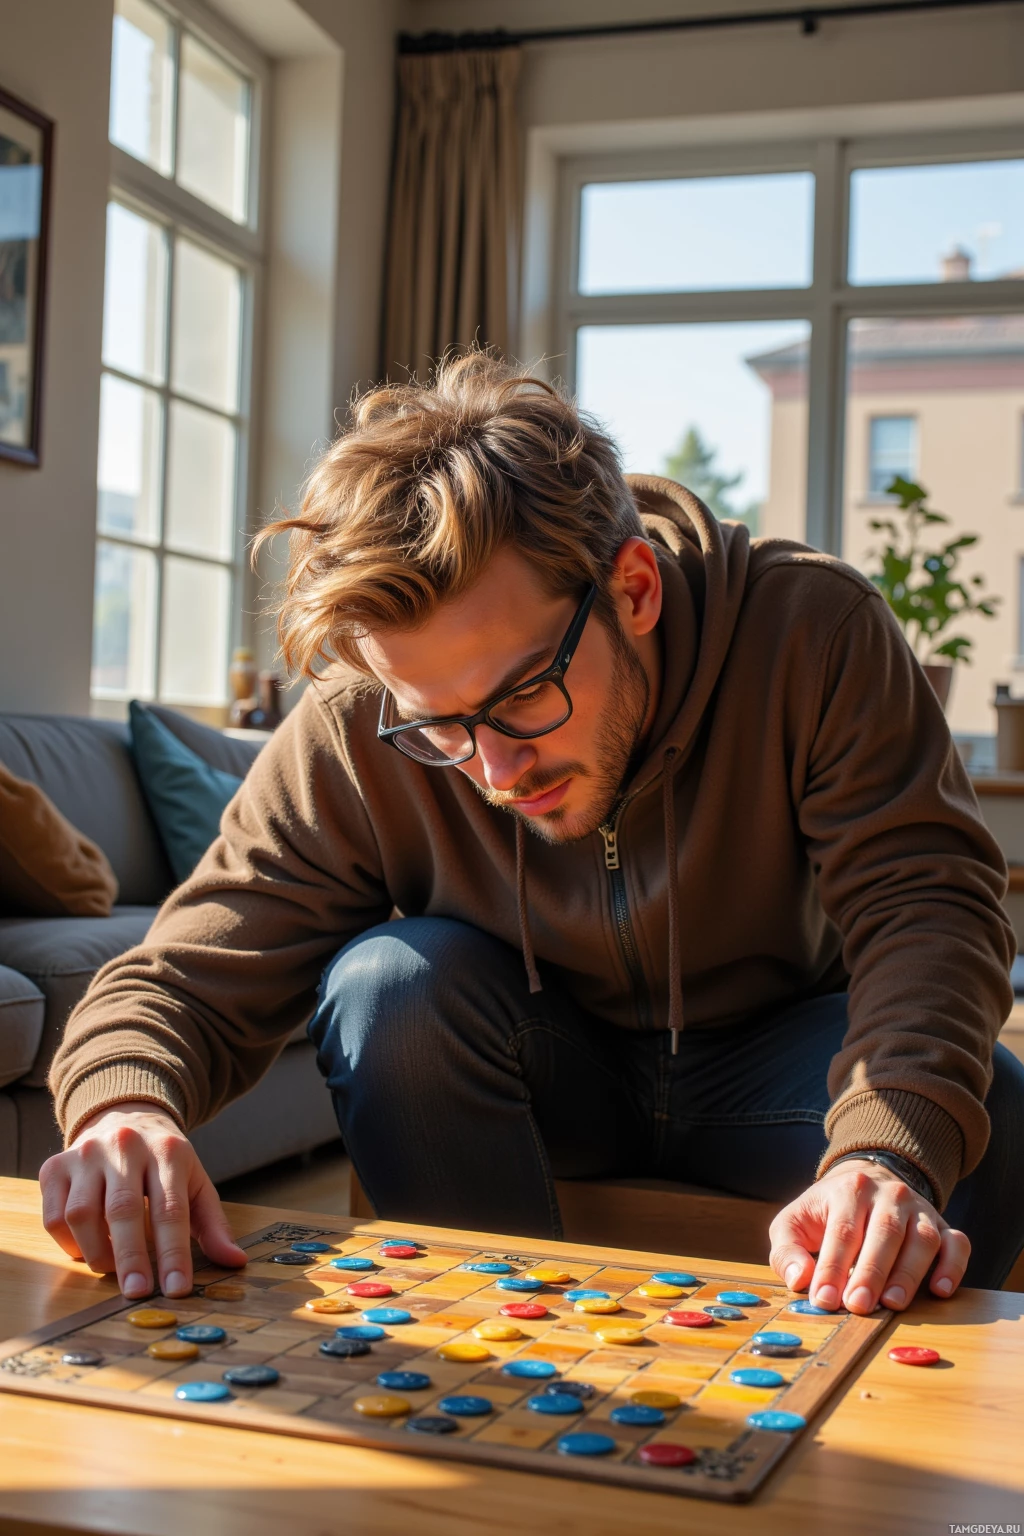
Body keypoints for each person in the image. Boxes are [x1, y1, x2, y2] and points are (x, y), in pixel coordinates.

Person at [43, 352, 1024, 1316]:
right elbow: (182, 974)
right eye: (437, 723)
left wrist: (880, 1152)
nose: (496, 770)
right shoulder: (357, 722)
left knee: (993, 1107)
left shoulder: (809, 630)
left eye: (522, 694)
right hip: (548, 1067)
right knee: (389, 988)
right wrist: (123, 1106)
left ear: (633, 589)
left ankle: (865, 1439)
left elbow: (927, 906)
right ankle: (490, 1362)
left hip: (776, 1067)